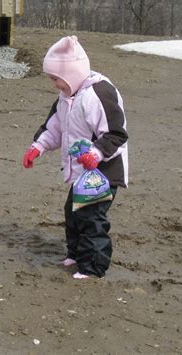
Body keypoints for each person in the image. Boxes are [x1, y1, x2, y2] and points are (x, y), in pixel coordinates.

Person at [22, 35, 128, 279]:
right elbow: (56, 127)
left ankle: (93, 267)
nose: (54, 84)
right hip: (82, 173)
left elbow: (116, 134)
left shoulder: (99, 94)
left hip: (103, 172)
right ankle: (76, 253)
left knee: (91, 218)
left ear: (71, 74)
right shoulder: (66, 97)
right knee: (73, 212)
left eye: (56, 78)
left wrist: (96, 153)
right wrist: (38, 147)